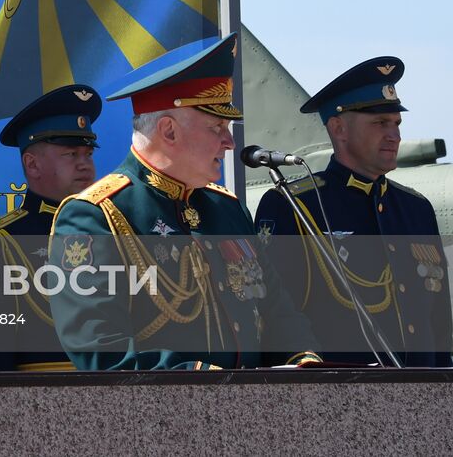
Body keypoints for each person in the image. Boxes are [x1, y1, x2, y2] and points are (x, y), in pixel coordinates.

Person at [47, 34, 321, 370]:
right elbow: (102, 351)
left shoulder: (227, 209)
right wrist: (197, 380)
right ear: (169, 131)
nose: (229, 142)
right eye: (216, 126)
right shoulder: (96, 215)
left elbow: (278, 311)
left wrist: (301, 361)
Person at [254, 57, 452, 365]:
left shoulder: (417, 209)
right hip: (336, 401)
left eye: (396, 124)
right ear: (338, 128)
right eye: (380, 123)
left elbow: (439, 327)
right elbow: (276, 324)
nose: (394, 135)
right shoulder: (291, 206)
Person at [0, 84, 100, 372]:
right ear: (32, 165)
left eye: (88, 154)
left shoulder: (115, 231)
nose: (85, 165)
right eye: (71, 154)